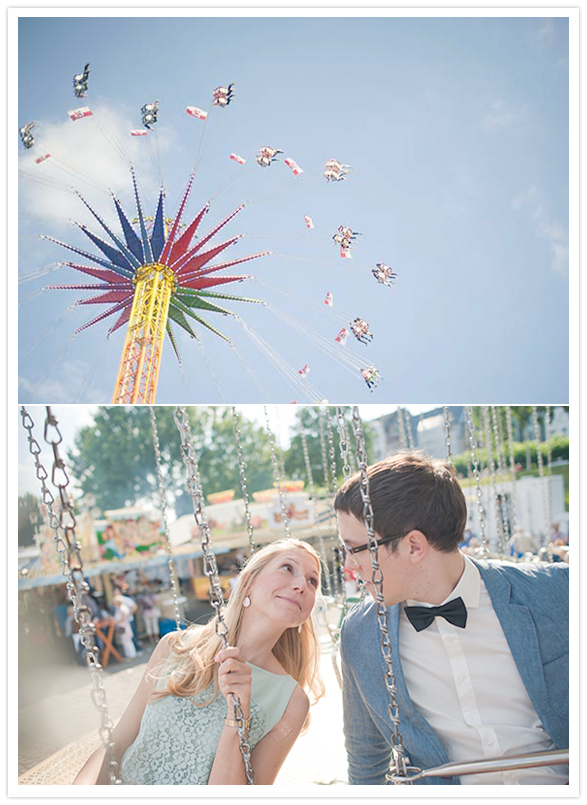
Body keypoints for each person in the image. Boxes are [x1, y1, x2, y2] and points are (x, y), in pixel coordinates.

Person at [334, 452, 569, 786]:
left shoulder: (559, 591)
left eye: (354, 549)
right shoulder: (360, 633)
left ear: (414, 546)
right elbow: (365, 759)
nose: (348, 566)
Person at [73, 538, 325, 785]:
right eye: (288, 568)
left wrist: (237, 716)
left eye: (312, 581)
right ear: (247, 582)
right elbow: (117, 744)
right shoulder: (174, 647)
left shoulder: (292, 702)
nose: (302, 584)